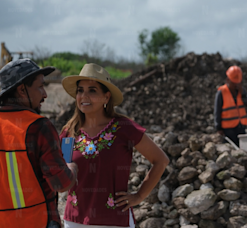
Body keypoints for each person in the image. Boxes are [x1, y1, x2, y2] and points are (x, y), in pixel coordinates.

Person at [60, 63, 169, 228]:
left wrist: (139, 196)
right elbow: (60, 175)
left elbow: (161, 160)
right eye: (80, 90)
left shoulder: (124, 128)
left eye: (92, 90)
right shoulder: (69, 132)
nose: (84, 96)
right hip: (74, 221)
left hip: (114, 221)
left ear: (106, 97)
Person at [0, 59, 78, 228]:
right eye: (40, 86)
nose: (45, 94)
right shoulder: (38, 127)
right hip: (36, 221)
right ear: (21, 90)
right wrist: (71, 168)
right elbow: (61, 183)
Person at [214, 65, 247, 146]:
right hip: (228, 130)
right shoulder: (221, 92)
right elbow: (217, 111)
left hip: (241, 127)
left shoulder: (241, 91)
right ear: (228, 80)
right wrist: (218, 128)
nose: (236, 86)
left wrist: (243, 94)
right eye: (234, 83)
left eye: (238, 83)